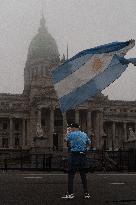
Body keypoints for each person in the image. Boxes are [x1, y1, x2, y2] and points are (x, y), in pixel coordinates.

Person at [61, 123, 91, 199]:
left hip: (74, 156)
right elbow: (89, 143)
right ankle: (86, 193)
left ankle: (70, 194)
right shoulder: (84, 134)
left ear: (74, 128)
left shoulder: (71, 134)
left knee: (71, 175)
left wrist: (68, 131)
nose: (71, 129)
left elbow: (65, 140)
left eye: (71, 128)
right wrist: (85, 149)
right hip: (83, 156)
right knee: (83, 175)